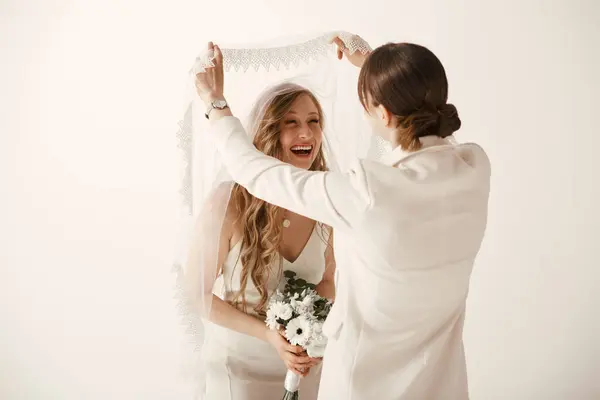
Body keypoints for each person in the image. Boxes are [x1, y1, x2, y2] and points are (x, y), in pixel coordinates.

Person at [195, 35, 491, 400]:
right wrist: (377, 71)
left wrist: (215, 102)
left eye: (367, 107)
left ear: (382, 114)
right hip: (440, 384)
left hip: (365, 384)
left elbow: (254, 171)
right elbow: (433, 140)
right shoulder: (473, 167)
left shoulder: (366, 191)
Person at [183, 82, 336, 400]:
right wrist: (269, 334)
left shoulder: (325, 202)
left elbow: (328, 280)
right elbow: (196, 295)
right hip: (239, 372)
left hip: (303, 370)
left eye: (313, 121)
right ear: (268, 132)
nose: (306, 133)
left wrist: (311, 326)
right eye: (291, 122)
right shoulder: (228, 202)